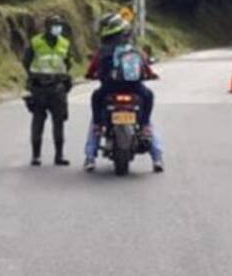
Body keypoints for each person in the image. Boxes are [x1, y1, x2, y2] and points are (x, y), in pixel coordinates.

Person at [83, 12, 163, 173]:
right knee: (147, 111)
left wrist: (90, 75)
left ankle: (90, 157)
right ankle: (157, 158)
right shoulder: (134, 50)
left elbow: (91, 69)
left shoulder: (103, 51)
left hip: (109, 90)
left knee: (95, 105)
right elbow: (146, 68)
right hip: (135, 90)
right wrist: (151, 75)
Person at [22, 14, 73, 166]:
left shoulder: (64, 43)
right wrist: (34, 76)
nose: (57, 28)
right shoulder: (36, 42)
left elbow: (68, 62)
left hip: (57, 88)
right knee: (38, 121)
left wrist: (60, 76)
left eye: (59, 26)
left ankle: (59, 156)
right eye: (54, 25)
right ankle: (36, 156)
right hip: (39, 88)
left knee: (59, 122)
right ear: (47, 27)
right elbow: (26, 61)